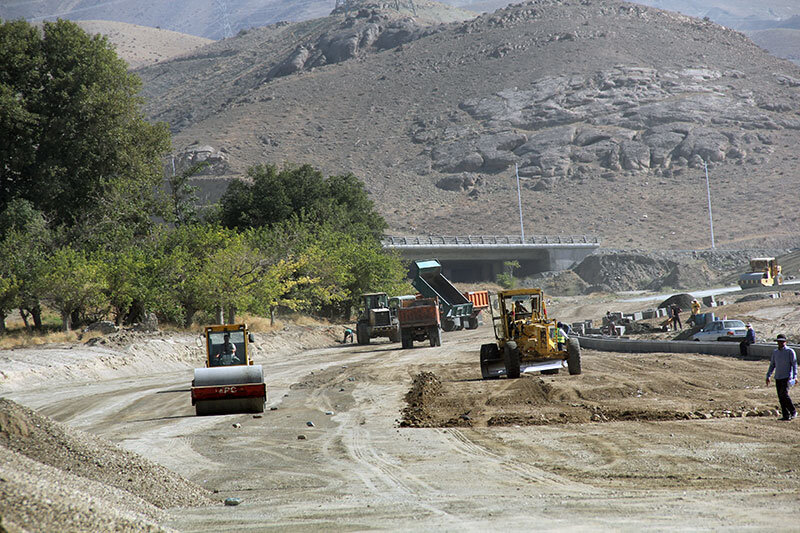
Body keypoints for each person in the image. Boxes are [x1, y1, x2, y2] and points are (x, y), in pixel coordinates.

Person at [766, 334, 797, 421]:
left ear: (785, 342)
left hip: (787, 377)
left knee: (784, 394)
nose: (780, 343)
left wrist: (795, 377)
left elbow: (794, 365)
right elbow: (772, 365)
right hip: (778, 377)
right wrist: (768, 375)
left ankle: (793, 411)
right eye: (779, 342)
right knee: (780, 397)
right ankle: (785, 415)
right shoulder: (775, 352)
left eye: (782, 341)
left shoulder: (790, 351)